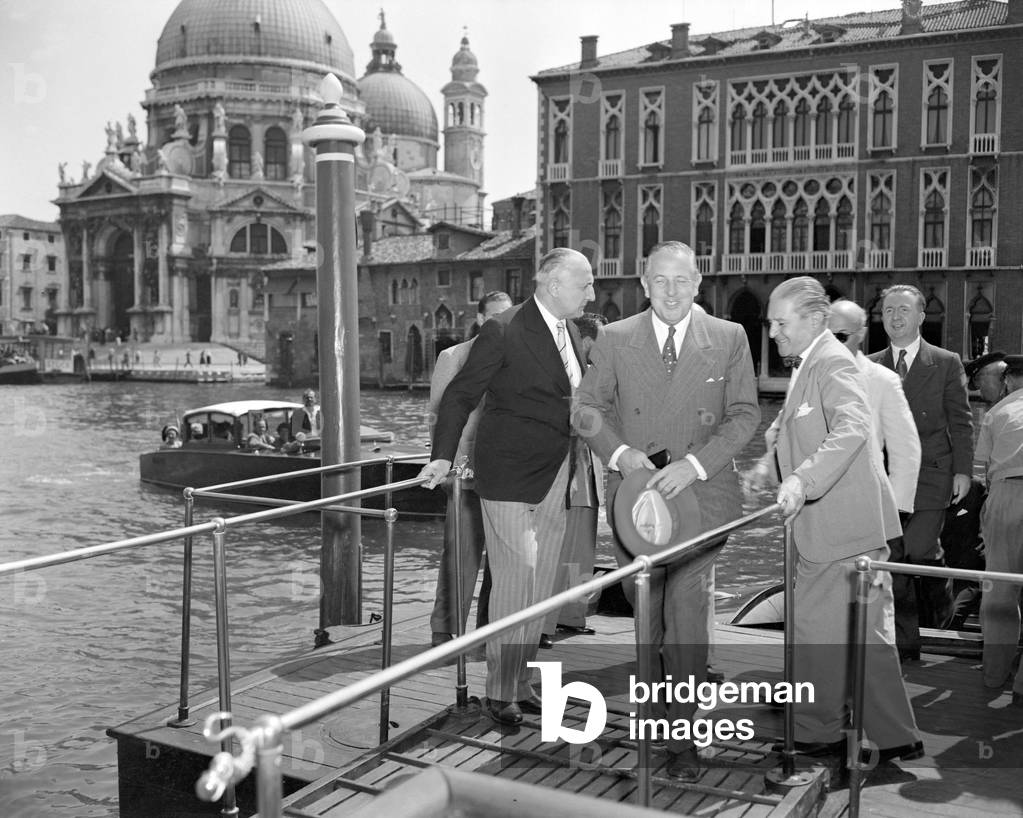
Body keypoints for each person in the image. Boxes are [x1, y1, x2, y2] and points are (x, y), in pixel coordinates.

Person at [574, 241, 759, 780]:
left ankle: (682, 745)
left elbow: (745, 415)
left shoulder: (728, 337)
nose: (672, 291)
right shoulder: (614, 337)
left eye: (682, 281)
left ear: (699, 282)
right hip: (636, 506)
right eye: (660, 280)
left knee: (685, 626)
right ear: (643, 282)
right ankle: (655, 730)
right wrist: (620, 452)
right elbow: (584, 410)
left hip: (702, 501)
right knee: (646, 625)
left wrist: (696, 465)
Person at [749, 276, 921, 776]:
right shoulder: (814, 362)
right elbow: (805, 426)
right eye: (771, 323)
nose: (774, 332)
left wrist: (802, 478)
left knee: (815, 634)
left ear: (816, 320)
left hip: (835, 531)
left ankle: (816, 736)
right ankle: (894, 738)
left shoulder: (830, 363)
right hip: (852, 528)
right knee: (867, 636)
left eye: (782, 323)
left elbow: (854, 427)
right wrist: (772, 460)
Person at [418, 247, 594, 727]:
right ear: (555, 284)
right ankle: (499, 692)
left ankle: (522, 681)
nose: (592, 293)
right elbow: (460, 395)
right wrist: (441, 456)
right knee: (519, 575)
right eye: (586, 284)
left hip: (560, 471)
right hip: (508, 473)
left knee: (541, 586)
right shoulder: (502, 328)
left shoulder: (573, 332)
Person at [868, 284, 973, 661]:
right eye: (888, 310)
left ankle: (941, 590)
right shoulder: (870, 363)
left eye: (903, 310)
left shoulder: (946, 362)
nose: (895, 317)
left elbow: (961, 422)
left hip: (931, 474)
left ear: (920, 316)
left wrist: (964, 471)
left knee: (910, 553)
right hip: (885, 478)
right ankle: (905, 645)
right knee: (895, 557)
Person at [428, 291, 512, 648]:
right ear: (479, 320)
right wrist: (448, 466)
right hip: (464, 473)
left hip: (506, 475)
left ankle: (488, 628)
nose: (502, 324)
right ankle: (445, 632)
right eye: (495, 317)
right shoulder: (453, 357)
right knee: (460, 554)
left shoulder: (515, 355)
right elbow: (439, 415)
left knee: (502, 558)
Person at [541, 312, 607, 644]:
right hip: (565, 470)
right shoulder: (563, 371)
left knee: (582, 550)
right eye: (599, 340)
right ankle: (541, 624)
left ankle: (572, 616)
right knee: (556, 550)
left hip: (589, 471)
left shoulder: (594, 374)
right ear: (583, 340)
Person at [828, 300, 921, 515]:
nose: (832, 344)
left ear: (861, 334)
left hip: (862, 502)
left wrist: (895, 511)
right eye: (826, 337)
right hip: (812, 504)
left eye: (841, 336)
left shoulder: (883, 380)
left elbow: (905, 450)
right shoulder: (806, 375)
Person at [974, 354, 1023, 706]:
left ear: (1009, 380)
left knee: (1000, 589)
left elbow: (980, 470)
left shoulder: (996, 413)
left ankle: (994, 672)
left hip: (1007, 495)